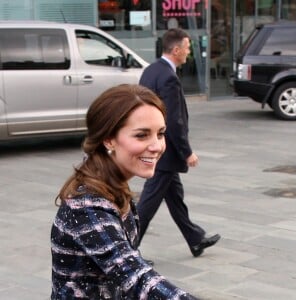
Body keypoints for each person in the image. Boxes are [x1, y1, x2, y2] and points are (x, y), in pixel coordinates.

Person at [51, 84, 201, 299]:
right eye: (141, 135)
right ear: (109, 139)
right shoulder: (87, 207)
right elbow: (134, 276)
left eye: (160, 134)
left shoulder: (109, 182)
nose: (157, 146)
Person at [137, 28, 221, 258]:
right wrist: (187, 152)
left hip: (157, 148)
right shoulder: (168, 78)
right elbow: (173, 121)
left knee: (175, 197)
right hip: (165, 151)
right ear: (176, 50)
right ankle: (128, 250)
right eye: (187, 47)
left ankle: (195, 239)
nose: (188, 52)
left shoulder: (151, 71)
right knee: (148, 203)